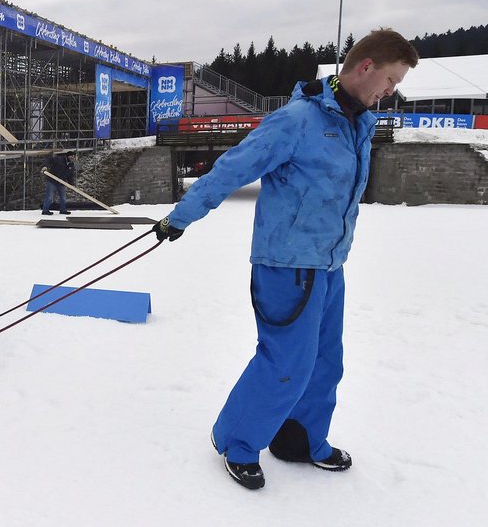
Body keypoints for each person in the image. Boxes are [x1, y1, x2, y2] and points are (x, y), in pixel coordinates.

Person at [152, 28, 418, 490]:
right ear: (366, 67)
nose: (391, 91)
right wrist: (181, 217)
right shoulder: (296, 120)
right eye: (390, 80)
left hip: (329, 264)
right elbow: (234, 166)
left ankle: (299, 440)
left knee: (325, 362)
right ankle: (237, 441)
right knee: (286, 362)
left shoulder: (357, 123)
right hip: (287, 265)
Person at [41, 150, 75, 215]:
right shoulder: (59, 159)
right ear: (67, 156)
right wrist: (45, 166)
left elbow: (70, 175)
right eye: (71, 156)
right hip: (52, 180)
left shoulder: (71, 165)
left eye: (73, 156)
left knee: (63, 197)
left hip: (61, 182)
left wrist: (72, 184)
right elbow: (48, 160)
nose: (72, 157)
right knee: (49, 196)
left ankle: (63, 210)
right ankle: (45, 211)